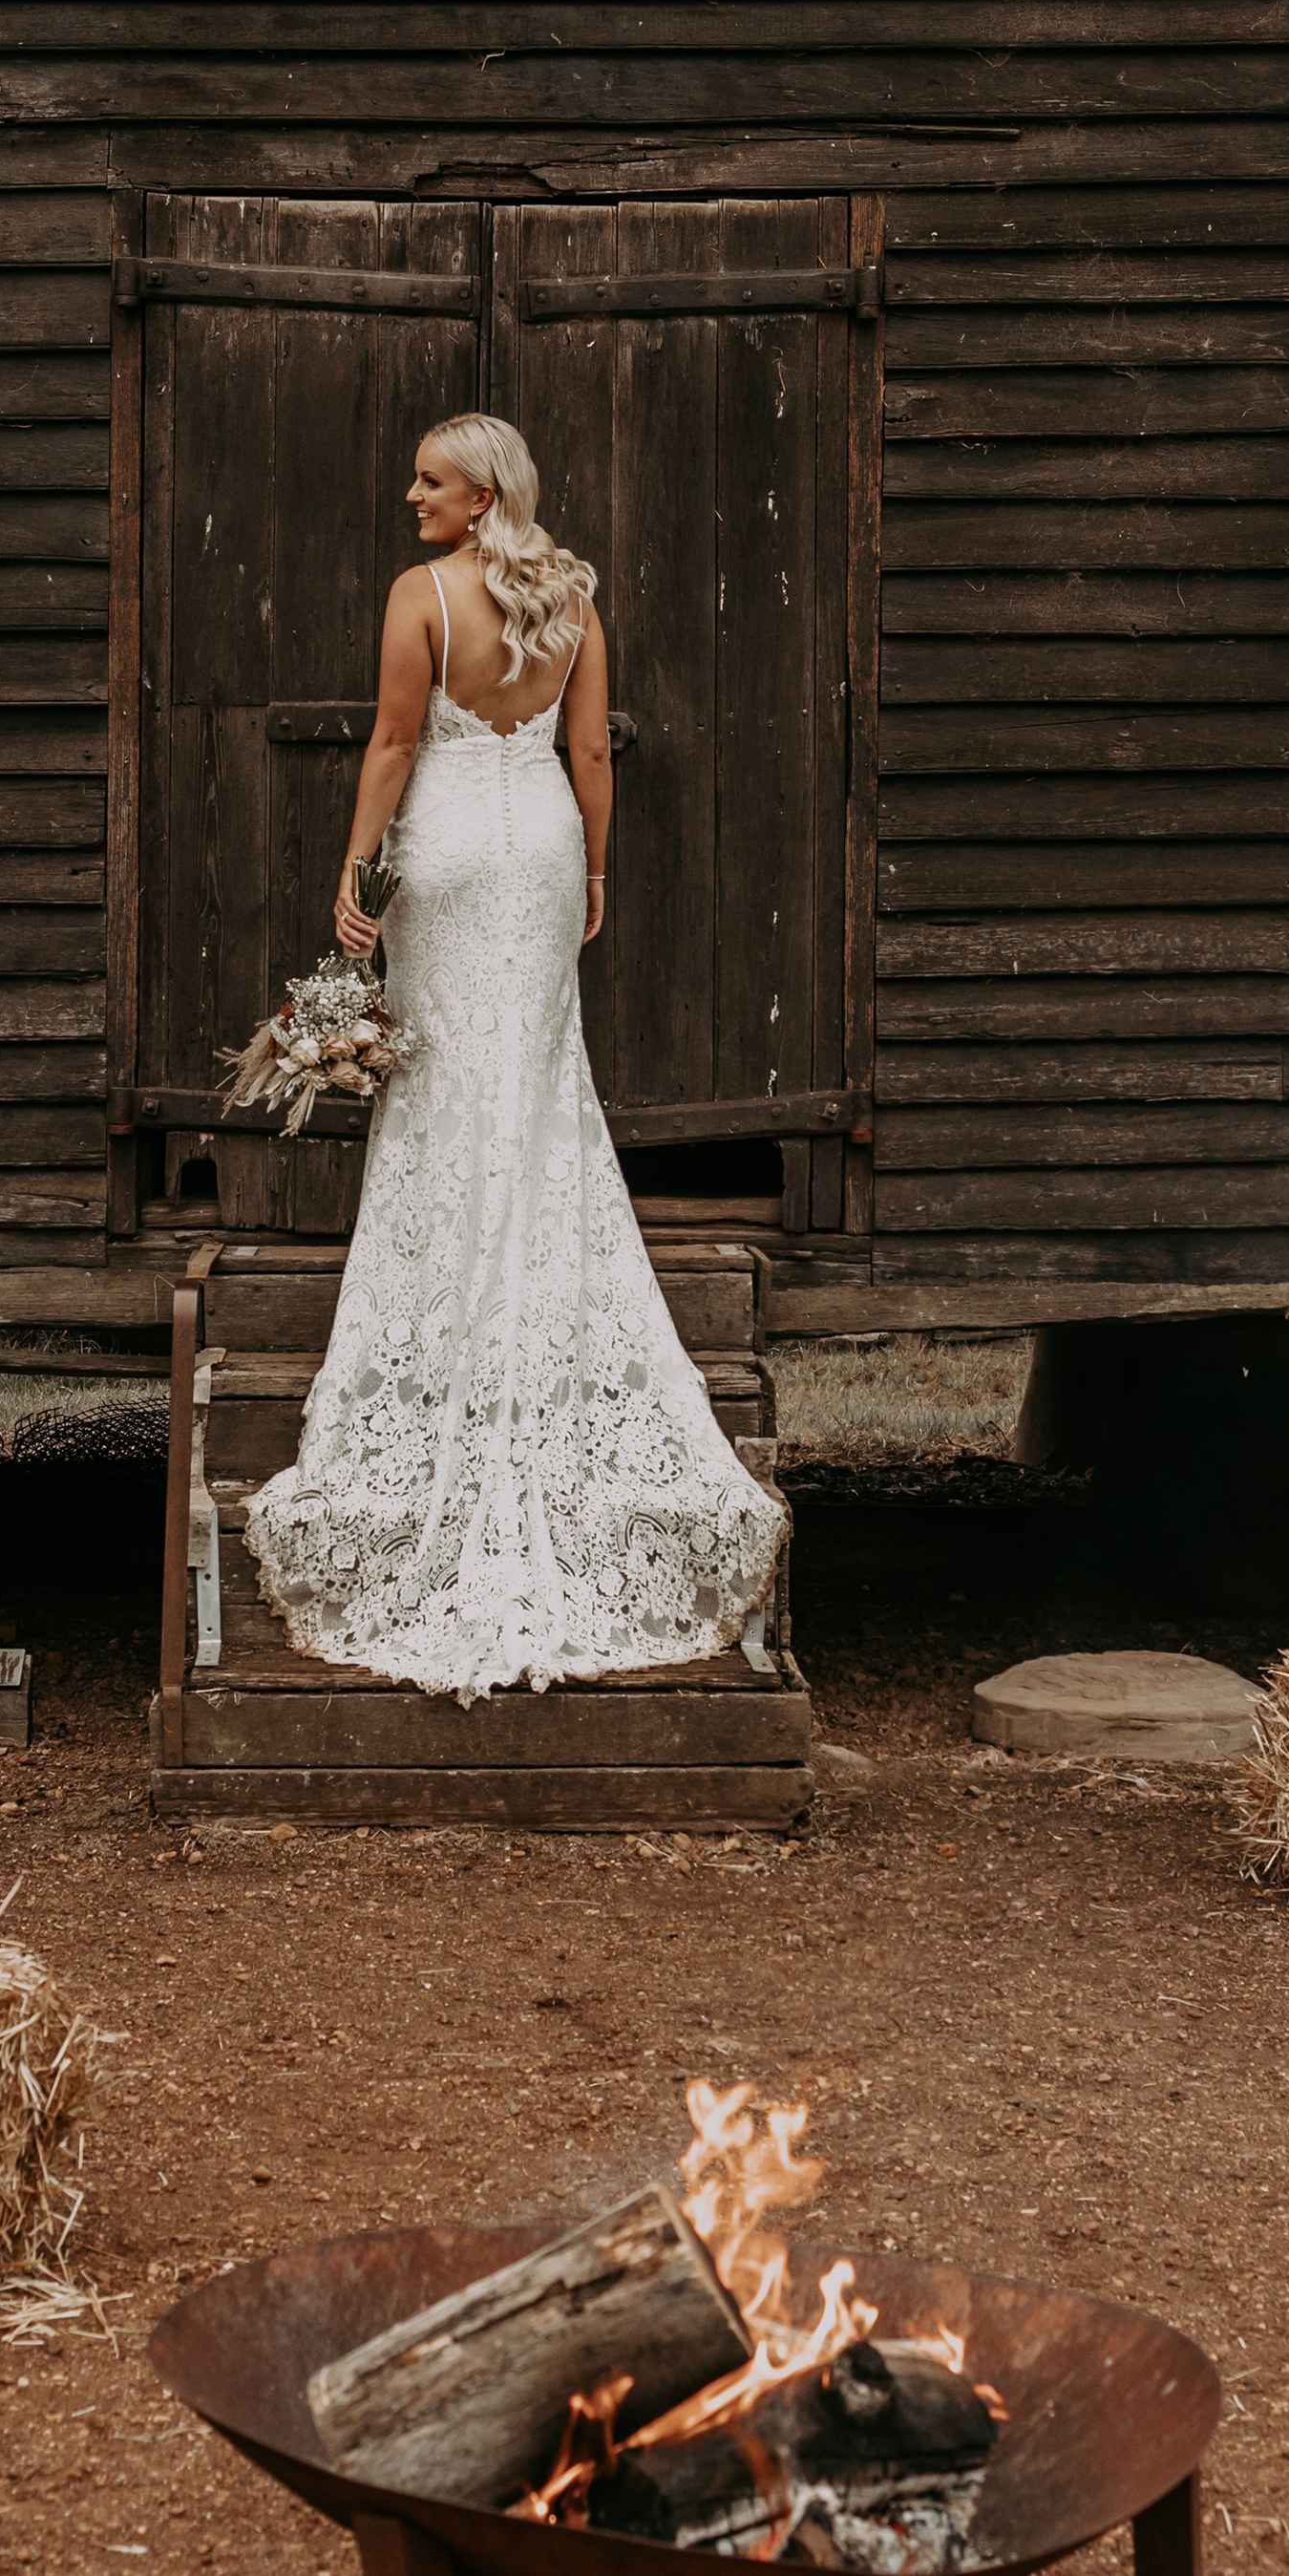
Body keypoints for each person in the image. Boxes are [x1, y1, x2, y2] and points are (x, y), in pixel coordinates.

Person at [236, 411, 791, 1702]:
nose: (410, 493)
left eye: (431, 479)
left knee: (444, 1078)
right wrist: (596, 866)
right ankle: (532, 1273)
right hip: (536, 847)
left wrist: (355, 871)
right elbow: (591, 748)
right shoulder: (571, 594)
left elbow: (388, 745)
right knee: (538, 1082)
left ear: (484, 495)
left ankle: (449, 1295)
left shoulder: (420, 597)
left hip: (445, 847)